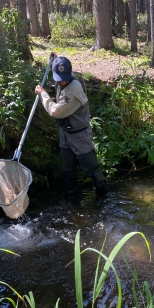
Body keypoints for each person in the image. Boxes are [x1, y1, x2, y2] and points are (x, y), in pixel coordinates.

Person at [35, 56, 108, 200]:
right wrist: (56, 60)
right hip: (65, 132)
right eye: (59, 78)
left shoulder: (73, 89)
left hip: (80, 135)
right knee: (67, 169)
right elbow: (60, 68)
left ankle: (103, 195)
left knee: (91, 168)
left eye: (64, 78)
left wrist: (43, 94)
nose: (62, 81)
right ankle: (72, 197)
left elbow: (55, 111)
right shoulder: (62, 77)